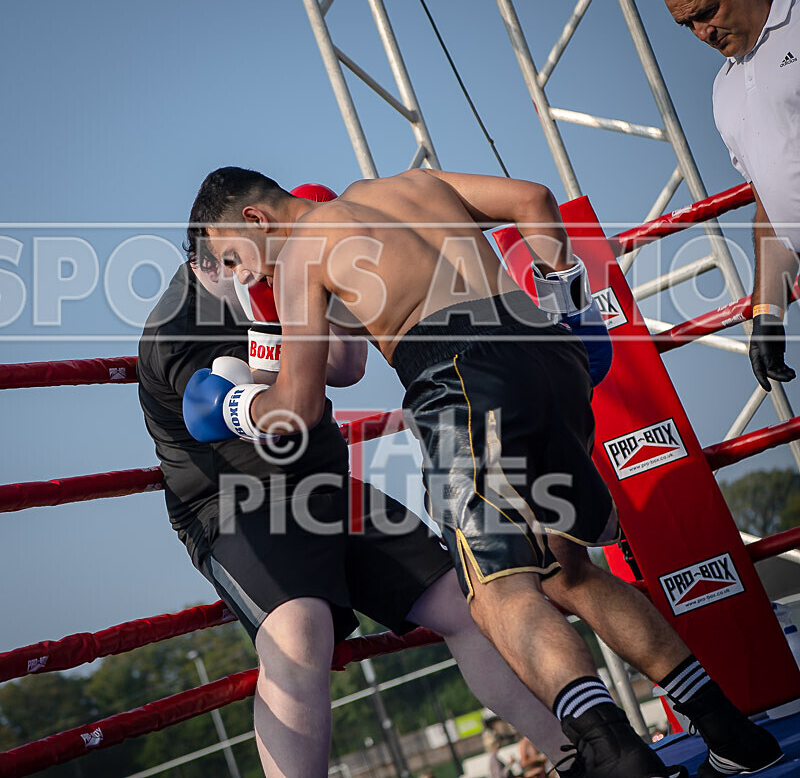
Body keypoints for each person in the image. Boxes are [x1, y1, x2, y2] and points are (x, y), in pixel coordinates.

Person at [183, 165, 783, 778]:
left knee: (497, 592)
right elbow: (533, 200)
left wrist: (231, 405)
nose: (241, 276)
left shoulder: (302, 253)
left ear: (254, 220)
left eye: (232, 258)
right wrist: (569, 304)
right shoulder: (413, 184)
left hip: (462, 379)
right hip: (550, 353)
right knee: (567, 571)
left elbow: (300, 407)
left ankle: (614, 755)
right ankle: (729, 730)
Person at [138, 183, 584, 778]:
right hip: (234, 504)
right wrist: (270, 364)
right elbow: (207, 407)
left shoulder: (277, 271)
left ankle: (581, 757)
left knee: (465, 599)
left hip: (324, 488)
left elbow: (347, 368)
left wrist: (291, 306)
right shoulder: (182, 315)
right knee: (300, 631)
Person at [662, 0, 800, 391]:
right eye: (688, 25)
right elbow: (770, 205)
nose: (703, 33)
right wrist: (767, 314)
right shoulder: (724, 90)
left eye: (707, 12)